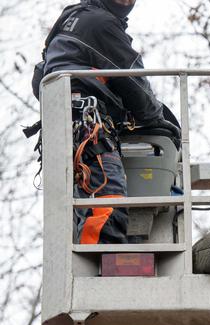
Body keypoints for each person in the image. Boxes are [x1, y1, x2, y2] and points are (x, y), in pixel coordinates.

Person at [32, 0, 180, 244]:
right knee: (107, 197)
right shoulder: (102, 23)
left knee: (87, 198)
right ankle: (103, 261)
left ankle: (103, 253)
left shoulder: (72, 20)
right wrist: (160, 121)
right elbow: (134, 83)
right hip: (88, 125)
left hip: (66, 122)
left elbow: (40, 76)